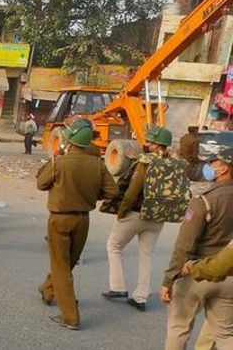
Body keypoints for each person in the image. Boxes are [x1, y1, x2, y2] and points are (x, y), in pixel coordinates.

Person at [36, 119, 118, 331]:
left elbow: (41, 183)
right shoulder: (98, 165)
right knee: (67, 263)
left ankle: (70, 316)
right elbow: (113, 192)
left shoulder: (60, 162)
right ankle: (47, 290)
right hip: (83, 220)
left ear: (70, 141)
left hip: (59, 219)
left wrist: (54, 159)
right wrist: (92, 195)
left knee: (61, 266)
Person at [103, 126, 184, 312]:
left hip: (137, 213)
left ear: (156, 145)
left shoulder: (146, 162)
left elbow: (132, 191)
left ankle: (118, 287)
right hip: (159, 216)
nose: (144, 144)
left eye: (148, 141)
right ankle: (140, 297)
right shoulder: (176, 162)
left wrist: (121, 212)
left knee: (114, 246)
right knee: (146, 255)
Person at [160, 149, 233, 349]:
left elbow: (184, 244)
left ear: (224, 168)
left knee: (179, 328)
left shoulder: (204, 201)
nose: (210, 167)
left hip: (197, 273)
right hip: (229, 276)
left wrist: (169, 279)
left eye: (214, 163)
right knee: (225, 334)